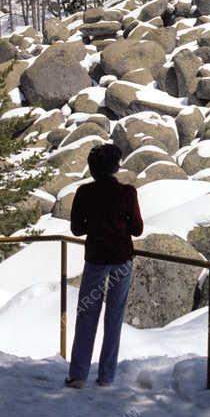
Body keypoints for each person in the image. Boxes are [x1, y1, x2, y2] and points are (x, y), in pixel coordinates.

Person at [65, 143, 143, 388]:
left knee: (87, 314)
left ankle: (78, 375)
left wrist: (97, 225)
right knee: (114, 316)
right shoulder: (127, 193)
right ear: (115, 167)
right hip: (121, 258)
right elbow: (137, 228)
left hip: (96, 257)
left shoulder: (84, 192)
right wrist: (120, 224)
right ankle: (107, 376)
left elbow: (77, 229)